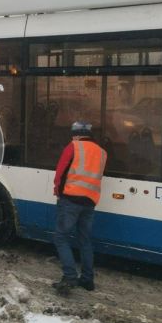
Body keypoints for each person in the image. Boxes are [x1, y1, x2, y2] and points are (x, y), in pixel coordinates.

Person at [52, 120, 107, 296]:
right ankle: (88, 279)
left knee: (61, 237)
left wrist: (58, 193)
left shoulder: (73, 146)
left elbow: (60, 172)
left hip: (71, 200)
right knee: (84, 240)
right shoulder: (102, 152)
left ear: (76, 134)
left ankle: (69, 276)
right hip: (90, 202)